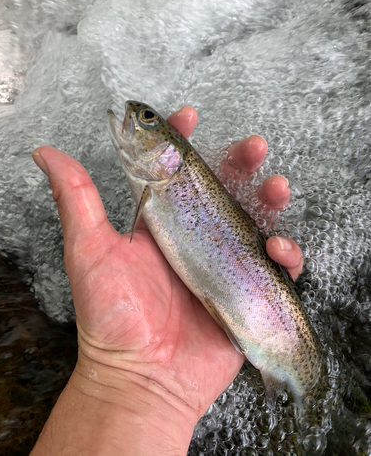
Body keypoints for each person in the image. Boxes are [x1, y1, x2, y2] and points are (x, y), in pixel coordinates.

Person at [30, 106, 303, 455]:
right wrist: (135, 384)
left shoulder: (158, 184)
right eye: (146, 119)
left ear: (171, 154)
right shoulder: (158, 180)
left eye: (146, 120)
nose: (135, 119)